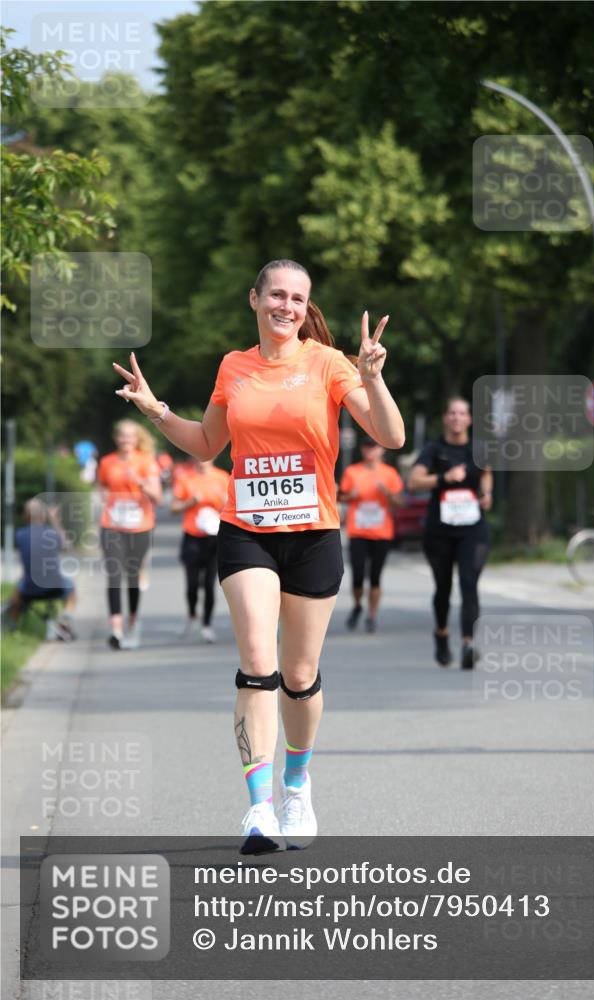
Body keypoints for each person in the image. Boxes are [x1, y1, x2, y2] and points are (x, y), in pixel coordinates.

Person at [113, 258, 404, 853]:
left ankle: (297, 783)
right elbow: (206, 446)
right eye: (277, 294)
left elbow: (390, 436)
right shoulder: (233, 366)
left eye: (298, 298)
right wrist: (155, 410)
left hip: (313, 534)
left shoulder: (328, 363)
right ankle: (260, 808)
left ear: (305, 307)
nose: (287, 306)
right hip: (246, 529)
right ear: (254, 299)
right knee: (257, 663)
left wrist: (372, 375)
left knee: (299, 677)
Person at [407, 397, 493, 669]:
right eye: (452, 413)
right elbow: (413, 481)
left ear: (469, 419)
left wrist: (486, 493)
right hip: (440, 530)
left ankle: (468, 643)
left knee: (469, 583)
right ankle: (442, 634)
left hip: (472, 528)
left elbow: (487, 473)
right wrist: (443, 478)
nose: (457, 418)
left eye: (462, 413)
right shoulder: (434, 449)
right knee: (443, 587)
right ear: (445, 418)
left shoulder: (477, 449)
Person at [97, 419, 162, 649]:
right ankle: (115, 629)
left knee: (132, 576)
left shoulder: (146, 462)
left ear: (136, 439)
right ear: (116, 438)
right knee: (114, 574)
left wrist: (142, 484)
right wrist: (105, 495)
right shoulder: (107, 462)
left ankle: (132, 620)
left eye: (130, 436)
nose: (126, 440)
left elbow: (157, 497)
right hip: (112, 524)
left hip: (140, 525)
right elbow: (102, 485)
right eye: (122, 435)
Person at [337, 437, 404, 633]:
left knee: (375, 577)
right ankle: (358, 605)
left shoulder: (389, 474)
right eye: (367, 447)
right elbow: (340, 496)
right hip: (358, 531)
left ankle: (372, 615)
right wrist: (351, 496)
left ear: (381, 450)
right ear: (362, 449)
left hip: (381, 532)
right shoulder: (352, 472)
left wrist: (388, 494)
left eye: (374, 447)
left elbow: (400, 502)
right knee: (357, 576)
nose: (370, 451)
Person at [170, 458, 230, 642]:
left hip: (214, 537)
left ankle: (207, 624)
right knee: (192, 585)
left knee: (210, 584)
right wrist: (191, 502)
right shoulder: (185, 478)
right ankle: (191, 615)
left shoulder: (222, 477)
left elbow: (232, 506)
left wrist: (224, 502)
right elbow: (174, 508)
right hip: (192, 536)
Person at [10, 498, 76, 640]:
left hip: (29, 588)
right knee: (70, 585)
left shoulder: (20, 535)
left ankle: (12, 627)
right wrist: (55, 520)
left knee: (17, 589)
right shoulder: (52, 533)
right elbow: (67, 546)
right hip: (55, 586)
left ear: (25, 516)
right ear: (43, 515)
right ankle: (65, 619)